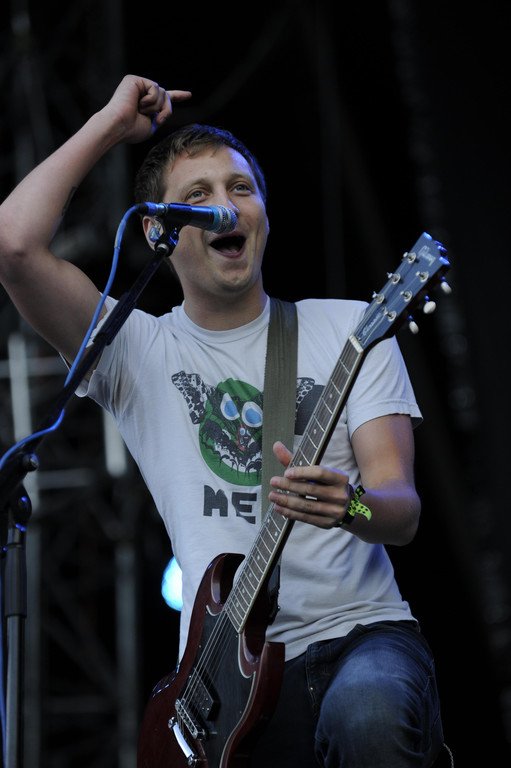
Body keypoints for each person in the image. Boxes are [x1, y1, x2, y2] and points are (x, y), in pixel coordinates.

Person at [0, 74, 448, 767]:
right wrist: (111, 125)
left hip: (360, 637)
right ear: (157, 230)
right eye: (198, 196)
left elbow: (402, 511)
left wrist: (352, 505)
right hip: (221, 687)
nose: (226, 207)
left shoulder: (351, 329)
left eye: (241, 189)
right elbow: (13, 246)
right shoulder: (137, 352)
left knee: (367, 713)